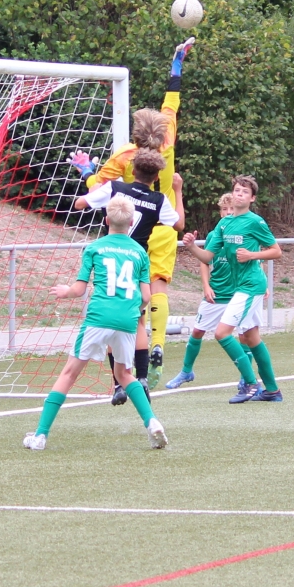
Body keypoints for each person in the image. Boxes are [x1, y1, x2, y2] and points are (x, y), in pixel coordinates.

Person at [74, 39, 194, 382]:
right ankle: (158, 345)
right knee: (159, 288)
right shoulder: (167, 143)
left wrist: (86, 172)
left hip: (131, 231)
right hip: (163, 223)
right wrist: (176, 67)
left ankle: (124, 376)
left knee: (132, 303)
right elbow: (171, 105)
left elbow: (99, 189)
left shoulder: (125, 155)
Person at [24, 196, 169, 452]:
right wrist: (131, 310)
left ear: (106, 220)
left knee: (69, 374)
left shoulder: (94, 248)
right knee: (124, 374)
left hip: (99, 317)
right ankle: (152, 422)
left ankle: (40, 436)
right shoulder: (139, 252)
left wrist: (65, 291)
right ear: (132, 222)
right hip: (127, 320)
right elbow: (146, 296)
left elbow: (79, 290)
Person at [78, 148, 178, 401]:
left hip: (109, 258)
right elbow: (178, 224)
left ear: (133, 170)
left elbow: (80, 204)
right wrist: (177, 190)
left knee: (112, 321)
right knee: (138, 322)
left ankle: (118, 385)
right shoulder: (158, 199)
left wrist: (91, 182)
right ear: (157, 177)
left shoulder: (115, 188)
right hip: (136, 260)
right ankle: (141, 378)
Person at [178, 175, 283, 403]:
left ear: (252, 198)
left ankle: (251, 384)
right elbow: (207, 257)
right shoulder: (224, 224)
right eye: (237, 190)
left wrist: (252, 255)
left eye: (245, 192)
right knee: (251, 337)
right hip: (240, 287)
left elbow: (276, 251)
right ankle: (272, 391)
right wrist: (191, 246)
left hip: (251, 286)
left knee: (222, 333)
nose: (240, 194)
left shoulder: (255, 221)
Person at [163, 190, 239, 389]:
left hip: (238, 294)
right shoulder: (215, 235)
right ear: (220, 212)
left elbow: (256, 261)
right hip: (216, 294)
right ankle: (186, 371)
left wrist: (261, 285)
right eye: (224, 209)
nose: (228, 212)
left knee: (245, 335)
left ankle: (245, 378)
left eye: (232, 208)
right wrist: (206, 286)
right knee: (197, 331)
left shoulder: (243, 233)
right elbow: (205, 261)